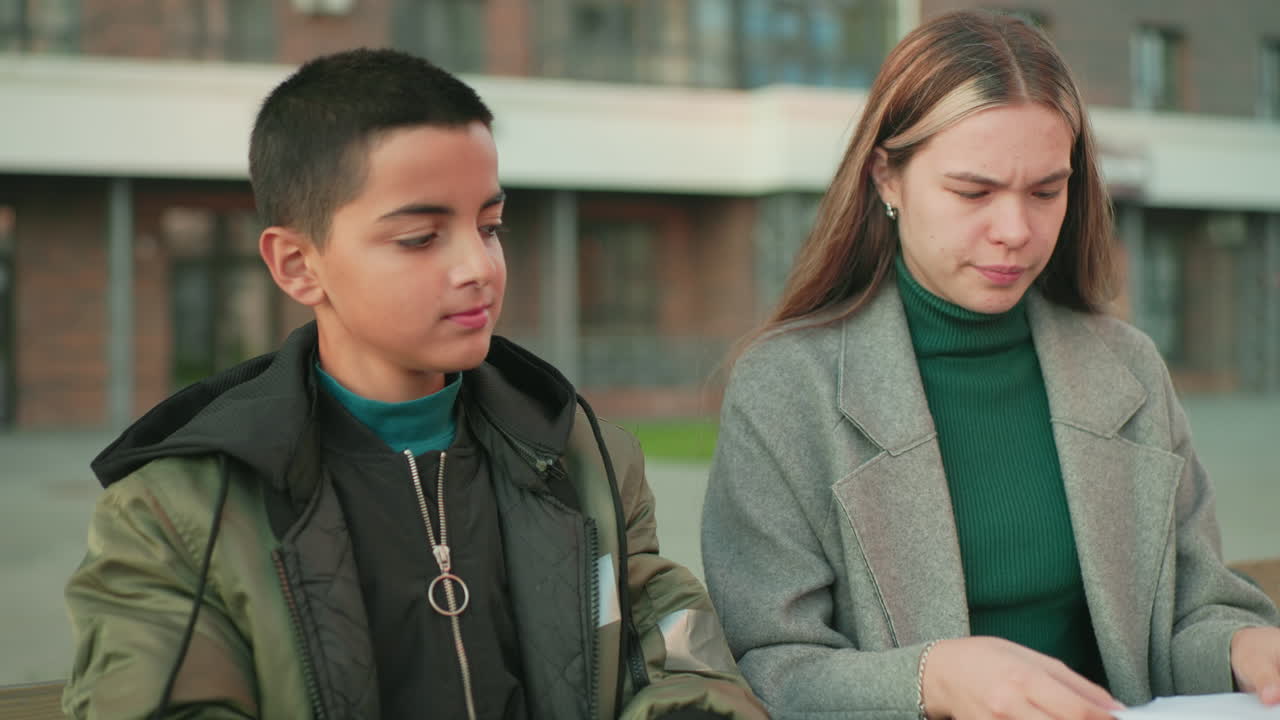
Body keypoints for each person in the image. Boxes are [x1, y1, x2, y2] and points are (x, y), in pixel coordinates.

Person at [62, 48, 766, 720]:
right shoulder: (178, 512)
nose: (478, 267)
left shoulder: (581, 462)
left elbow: (684, 665)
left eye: (490, 226)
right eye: (420, 238)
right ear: (297, 264)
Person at [701, 10, 1280, 720]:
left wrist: (1243, 646)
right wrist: (929, 681)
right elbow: (766, 665)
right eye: (973, 192)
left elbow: (1191, 612)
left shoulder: (1127, 368)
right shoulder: (786, 389)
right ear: (886, 177)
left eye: (1046, 191)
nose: (1016, 231)